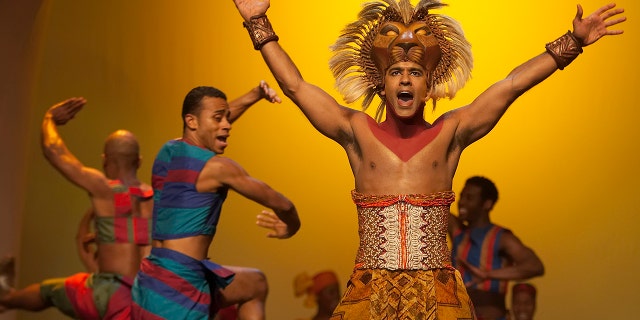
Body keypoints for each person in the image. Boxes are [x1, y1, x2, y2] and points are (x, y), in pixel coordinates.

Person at [231, 0, 625, 318]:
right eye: (397, 71)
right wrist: (258, 23)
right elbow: (295, 86)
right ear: (382, 85)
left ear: (428, 86)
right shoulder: (356, 132)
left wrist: (572, 41)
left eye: (415, 72)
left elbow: (510, 86)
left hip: (441, 297)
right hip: (370, 294)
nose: (405, 78)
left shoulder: (450, 134)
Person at [131, 84, 301, 320]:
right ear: (192, 122)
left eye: (227, 118)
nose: (227, 126)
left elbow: (208, 126)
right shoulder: (219, 168)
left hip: (150, 282)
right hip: (180, 289)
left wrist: (255, 95)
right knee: (255, 284)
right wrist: (291, 226)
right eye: (219, 119)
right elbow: (284, 205)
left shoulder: (168, 151)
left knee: (255, 284)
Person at [0, 97, 154, 319]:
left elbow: (54, 151)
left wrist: (50, 119)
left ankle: (6, 298)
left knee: (49, 292)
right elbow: (138, 235)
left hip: (109, 296)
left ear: (104, 160)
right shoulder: (155, 199)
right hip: (146, 297)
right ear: (139, 161)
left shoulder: (105, 190)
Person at [449, 176, 544, 320]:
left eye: (470, 198)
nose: (462, 202)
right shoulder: (457, 231)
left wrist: (487, 274)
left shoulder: (502, 238)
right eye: (462, 196)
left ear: (487, 204)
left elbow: (535, 266)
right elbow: (430, 199)